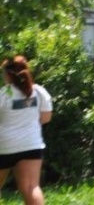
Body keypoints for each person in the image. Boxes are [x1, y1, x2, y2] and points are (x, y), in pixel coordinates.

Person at [0, 56, 52, 205]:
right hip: (32, 145)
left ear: (8, 75)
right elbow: (46, 118)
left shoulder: (4, 93)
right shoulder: (39, 92)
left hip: (5, 146)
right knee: (31, 187)